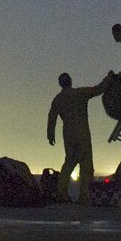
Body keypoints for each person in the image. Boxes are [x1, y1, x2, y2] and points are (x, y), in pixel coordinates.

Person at [46, 72, 104, 205]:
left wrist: (50, 135)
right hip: (82, 132)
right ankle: (84, 196)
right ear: (70, 81)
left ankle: (61, 192)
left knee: (69, 163)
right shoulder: (80, 93)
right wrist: (110, 79)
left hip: (68, 134)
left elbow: (52, 117)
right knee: (86, 165)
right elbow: (97, 90)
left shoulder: (58, 99)